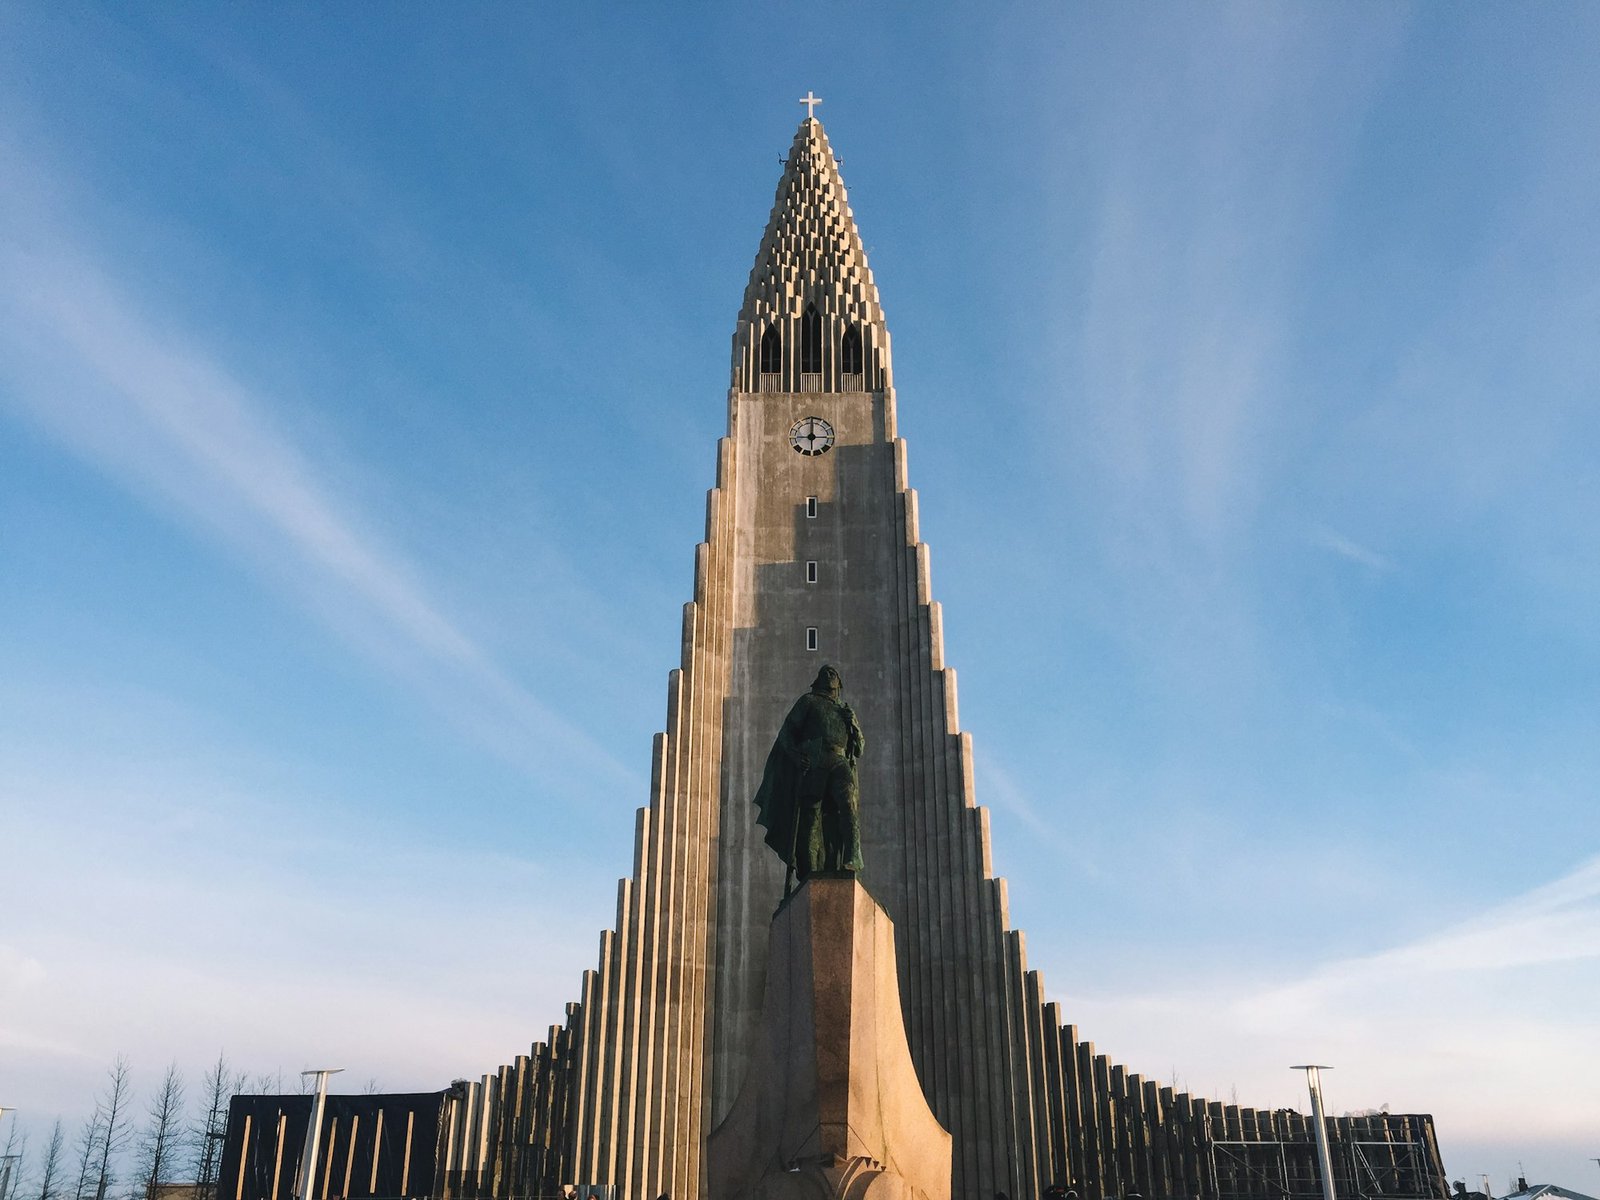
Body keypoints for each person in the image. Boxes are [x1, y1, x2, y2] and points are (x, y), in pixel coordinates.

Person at [752, 664, 865, 893]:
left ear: (839, 684)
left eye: (834, 673)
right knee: (811, 817)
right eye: (826, 673)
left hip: (839, 761)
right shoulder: (808, 702)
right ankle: (809, 870)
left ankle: (852, 856)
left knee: (848, 803)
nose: (830, 673)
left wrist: (852, 723)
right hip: (815, 762)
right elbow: (786, 733)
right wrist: (795, 756)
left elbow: (859, 748)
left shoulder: (844, 710)